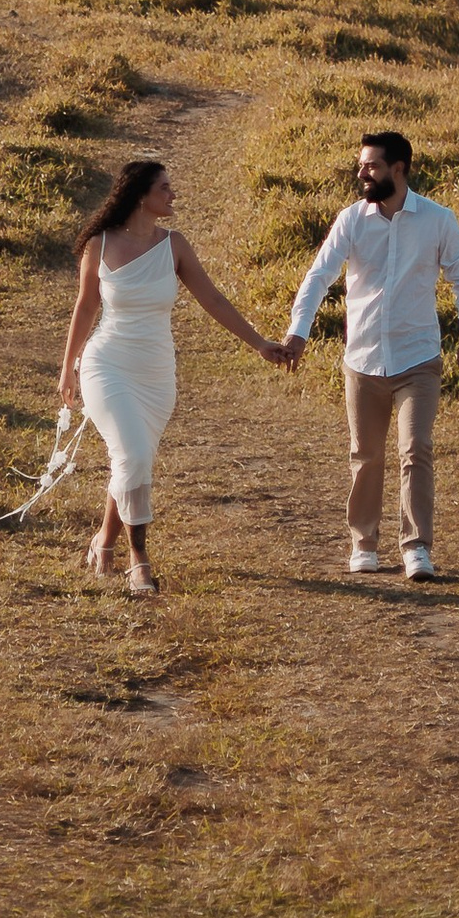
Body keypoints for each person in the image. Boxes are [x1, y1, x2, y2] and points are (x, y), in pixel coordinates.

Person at [59, 153, 297, 597]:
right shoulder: (100, 244)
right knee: (130, 453)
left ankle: (103, 543)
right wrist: (66, 368)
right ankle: (139, 561)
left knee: (133, 459)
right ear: (140, 195)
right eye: (165, 188)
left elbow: (214, 301)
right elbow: (86, 305)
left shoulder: (175, 246)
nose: (173, 194)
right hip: (106, 363)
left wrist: (259, 342)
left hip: (156, 372)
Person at [285, 130, 459, 582]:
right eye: (362, 165)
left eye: (371, 165)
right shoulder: (351, 220)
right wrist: (299, 332)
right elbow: (319, 278)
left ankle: (417, 548)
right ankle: (364, 543)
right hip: (364, 360)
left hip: (419, 358)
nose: (362, 173)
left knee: (416, 449)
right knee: (367, 454)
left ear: (399, 169)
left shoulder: (437, 219)